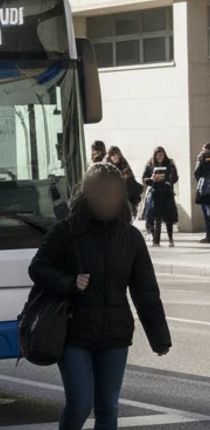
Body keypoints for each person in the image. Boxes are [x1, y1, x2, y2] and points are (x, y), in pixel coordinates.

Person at [29, 163, 170, 430]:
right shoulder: (66, 231)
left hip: (114, 335)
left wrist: (159, 337)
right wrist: (69, 282)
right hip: (73, 333)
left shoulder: (130, 238)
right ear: (86, 194)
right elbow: (37, 268)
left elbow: (146, 291)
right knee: (81, 403)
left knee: (108, 408)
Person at [142, 146, 179, 247]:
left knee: (168, 217)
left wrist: (167, 180)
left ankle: (170, 239)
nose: (159, 157)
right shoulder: (150, 164)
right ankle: (155, 240)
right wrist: (152, 179)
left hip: (166, 193)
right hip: (154, 193)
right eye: (157, 155)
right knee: (155, 216)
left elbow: (175, 177)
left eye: (161, 155)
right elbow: (144, 178)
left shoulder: (170, 164)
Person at [106, 147, 142, 220]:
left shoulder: (123, 162)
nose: (116, 157)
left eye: (117, 155)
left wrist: (125, 176)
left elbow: (130, 174)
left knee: (131, 182)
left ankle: (133, 205)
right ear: (110, 156)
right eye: (113, 155)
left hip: (125, 186)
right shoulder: (107, 164)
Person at [194, 144, 210, 243]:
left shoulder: (203, 161)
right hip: (204, 192)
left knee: (207, 215)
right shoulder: (201, 160)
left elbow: (197, 174)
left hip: (205, 191)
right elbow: (196, 173)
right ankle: (208, 235)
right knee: (207, 215)